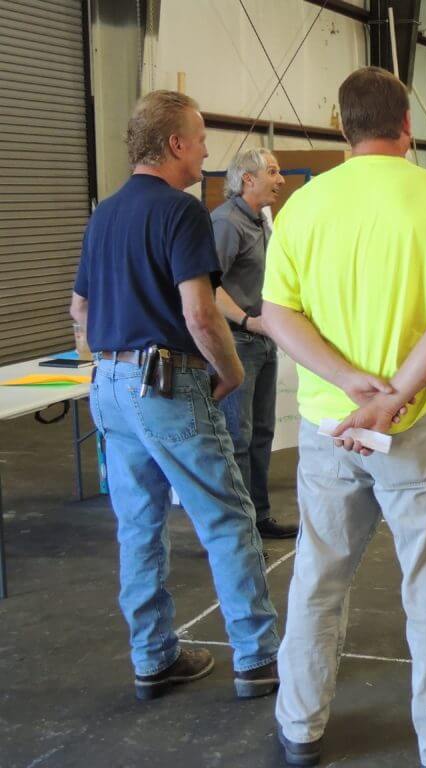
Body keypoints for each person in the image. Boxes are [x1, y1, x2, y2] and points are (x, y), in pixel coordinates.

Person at [261, 67, 426, 768]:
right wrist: (393, 395)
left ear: (342, 128)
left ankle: (299, 728)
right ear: (406, 125)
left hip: (328, 428)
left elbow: (278, 314)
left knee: (318, 579)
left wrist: (348, 383)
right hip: (417, 428)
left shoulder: (303, 207)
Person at [69, 91, 280, 701]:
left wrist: (116, 354)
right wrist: (229, 370)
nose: (207, 151)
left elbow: (79, 310)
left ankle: (154, 658)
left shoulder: (105, 214)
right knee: (227, 517)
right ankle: (257, 658)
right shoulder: (183, 212)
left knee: (139, 525)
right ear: (175, 144)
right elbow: (199, 312)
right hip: (166, 383)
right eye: (201, 138)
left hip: (110, 386)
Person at [211, 148, 297, 540]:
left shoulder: (260, 220)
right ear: (248, 179)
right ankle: (239, 531)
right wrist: (247, 320)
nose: (281, 180)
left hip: (263, 341)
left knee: (261, 434)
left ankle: (259, 517)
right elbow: (208, 288)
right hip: (237, 342)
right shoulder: (226, 223)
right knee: (237, 438)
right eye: (273, 172)